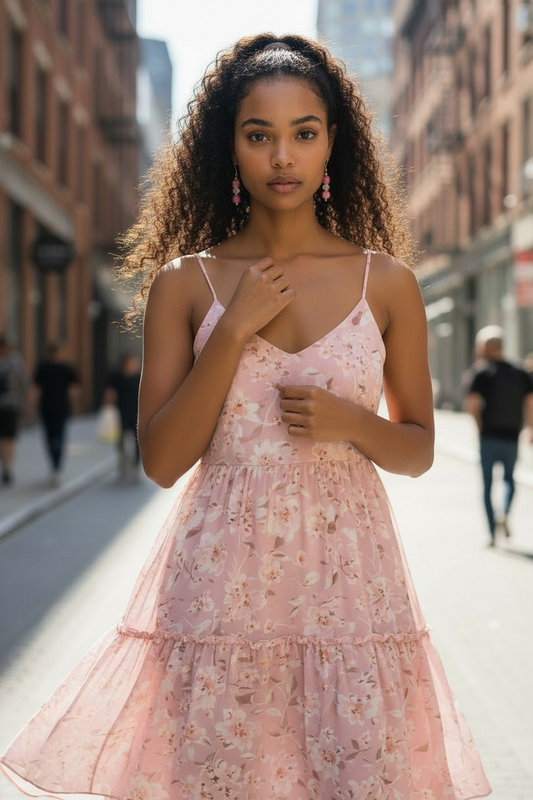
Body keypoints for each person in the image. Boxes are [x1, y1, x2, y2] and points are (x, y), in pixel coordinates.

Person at [0, 35, 491, 799]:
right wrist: (230, 331)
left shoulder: (387, 282)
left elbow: (419, 450)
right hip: (217, 581)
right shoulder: (185, 283)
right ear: (228, 146)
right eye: (258, 135)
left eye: (304, 132)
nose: (282, 157)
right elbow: (162, 462)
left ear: (335, 141)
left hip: (350, 580)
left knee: (353, 774)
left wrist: (351, 423)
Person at [465, 326, 533, 545]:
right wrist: (530, 429)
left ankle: (492, 533)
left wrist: (478, 426)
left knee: (486, 484)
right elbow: (530, 403)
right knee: (509, 480)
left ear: (486, 347)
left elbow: (473, 405)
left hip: (488, 436)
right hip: (512, 436)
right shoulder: (520, 371)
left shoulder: (481, 371)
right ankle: (503, 511)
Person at [33, 342, 80, 486]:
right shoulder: (44, 368)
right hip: (51, 408)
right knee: (52, 438)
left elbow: (72, 390)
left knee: (56, 438)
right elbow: (36, 389)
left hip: (57, 408)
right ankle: (55, 468)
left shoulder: (65, 369)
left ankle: (56, 468)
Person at [103, 352, 142, 483]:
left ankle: (136, 468)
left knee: (138, 443)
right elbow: (110, 393)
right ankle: (123, 466)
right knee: (120, 441)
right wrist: (108, 408)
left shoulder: (139, 377)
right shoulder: (116, 377)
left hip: (137, 414)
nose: (133, 365)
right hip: (120, 414)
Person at [0, 335, 29, 486]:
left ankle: (7, 468)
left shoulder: (15, 362)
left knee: (9, 438)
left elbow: (24, 383)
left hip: (11, 405)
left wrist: (24, 404)